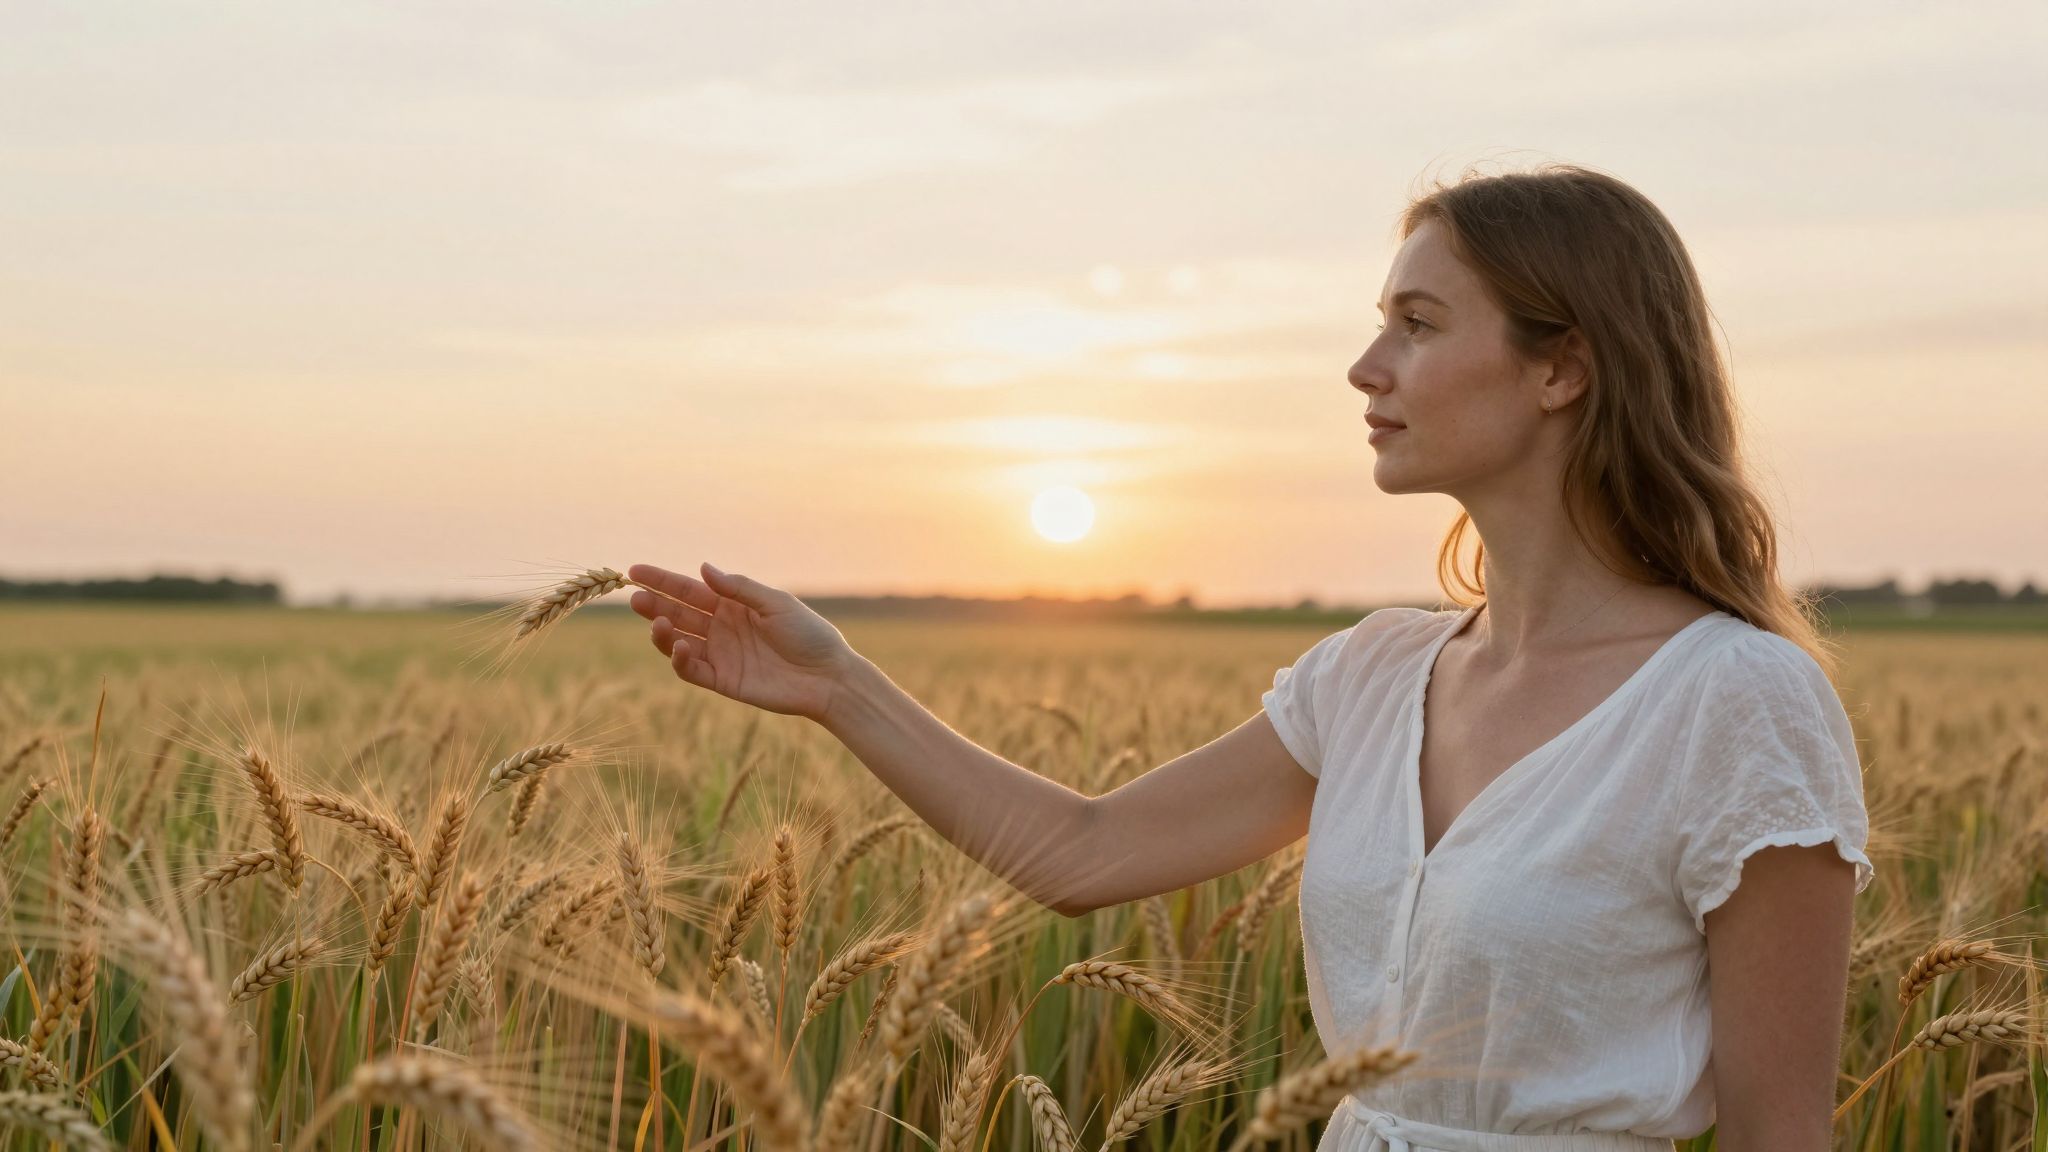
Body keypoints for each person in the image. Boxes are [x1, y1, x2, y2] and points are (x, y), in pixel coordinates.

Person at [626, 162, 1873, 1152]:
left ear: (1561, 366)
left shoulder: (1737, 702)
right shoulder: (1371, 676)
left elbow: (1779, 1131)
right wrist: (836, 684)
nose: (1364, 367)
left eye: (1417, 324)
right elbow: (1085, 850)